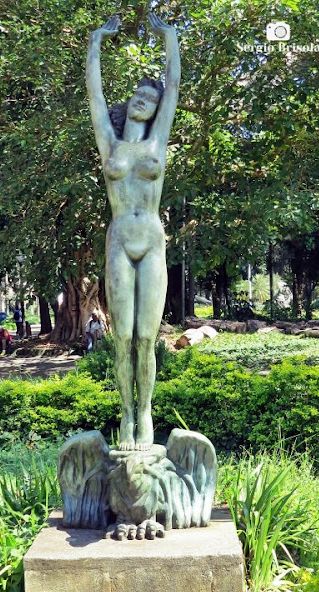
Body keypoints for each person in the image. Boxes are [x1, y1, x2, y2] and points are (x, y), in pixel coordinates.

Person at [86, 13, 180, 451]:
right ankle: (126, 414)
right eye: (139, 93)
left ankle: (145, 414)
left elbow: (174, 86)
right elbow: (95, 96)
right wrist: (97, 41)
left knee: (147, 338)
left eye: (151, 96)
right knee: (121, 337)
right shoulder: (112, 144)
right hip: (120, 239)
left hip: (153, 241)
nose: (144, 100)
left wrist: (170, 38)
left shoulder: (157, 142)